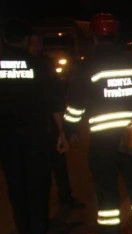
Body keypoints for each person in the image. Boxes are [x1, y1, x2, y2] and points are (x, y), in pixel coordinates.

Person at [62, 12, 132, 234]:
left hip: (103, 140)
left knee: (106, 187)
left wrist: (69, 129)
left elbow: (76, 104)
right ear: (116, 35)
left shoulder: (88, 66)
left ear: (94, 37)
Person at [0, 17, 68, 234]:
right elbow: (55, 102)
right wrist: (62, 132)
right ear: (28, 39)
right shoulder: (40, 65)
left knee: (15, 182)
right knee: (38, 184)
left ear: (5, 38)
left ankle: (25, 228)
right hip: (37, 135)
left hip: (6, 136)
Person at [28, 32, 84, 213]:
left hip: (47, 125)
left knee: (59, 165)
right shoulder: (38, 65)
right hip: (38, 127)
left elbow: (57, 99)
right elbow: (55, 99)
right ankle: (43, 205)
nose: (37, 46)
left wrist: (64, 130)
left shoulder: (44, 63)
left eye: (39, 42)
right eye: (34, 43)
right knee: (43, 167)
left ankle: (65, 198)